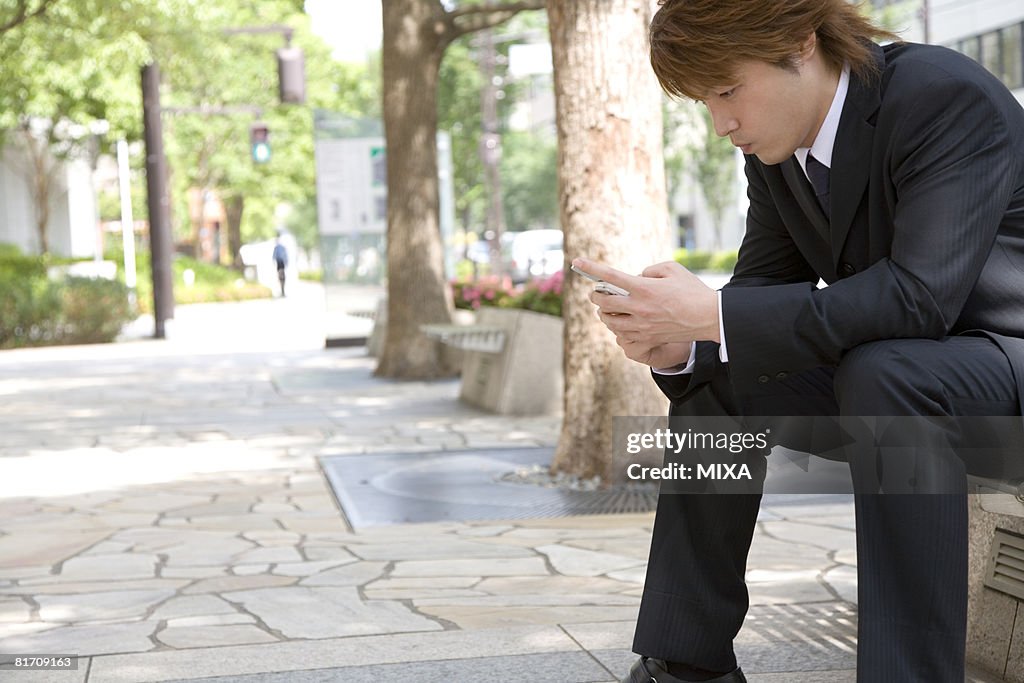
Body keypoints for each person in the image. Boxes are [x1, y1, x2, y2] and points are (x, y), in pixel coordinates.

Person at [576, 1, 1024, 682]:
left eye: (729, 90)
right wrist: (682, 344)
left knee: (887, 372)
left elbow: (919, 297)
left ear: (799, 41)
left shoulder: (943, 97)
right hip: (902, 376)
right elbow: (756, 298)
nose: (721, 122)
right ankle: (686, 659)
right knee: (724, 374)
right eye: (705, 100)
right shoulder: (778, 150)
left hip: (1002, 360)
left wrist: (715, 317)